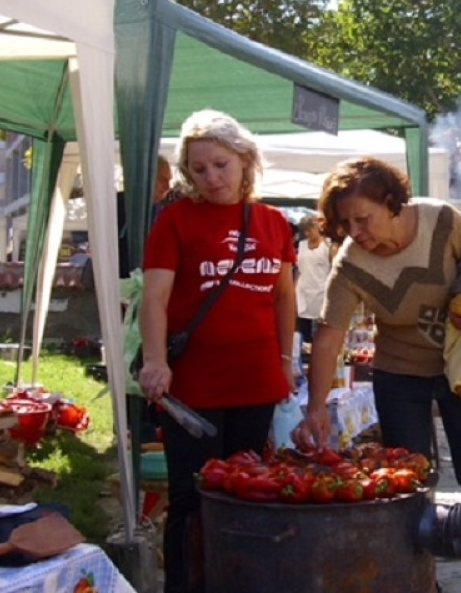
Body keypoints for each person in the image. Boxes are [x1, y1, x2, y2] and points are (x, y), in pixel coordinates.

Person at [293, 156, 461, 593]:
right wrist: (316, 407)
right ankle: (419, 583)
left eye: (364, 218)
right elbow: (328, 337)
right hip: (400, 374)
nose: (356, 232)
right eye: (346, 223)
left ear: (392, 201)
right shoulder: (351, 265)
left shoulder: (442, 221)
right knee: (406, 486)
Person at [137, 109, 297, 593]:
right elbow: (155, 297)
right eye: (199, 169)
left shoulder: (273, 222)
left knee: (248, 493)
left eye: (220, 164)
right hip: (194, 384)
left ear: (246, 160)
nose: (211, 177)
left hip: (256, 379)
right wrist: (155, 360)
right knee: (192, 496)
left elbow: (284, 297)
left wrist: (287, 360)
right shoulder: (176, 220)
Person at [294, 214, 333, 343]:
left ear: (317, 228)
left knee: (320, 332)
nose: (307, 233)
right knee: (303, 331)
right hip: (303, 293)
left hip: (321, 293)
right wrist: (293, 289)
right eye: (305, 231)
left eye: (309, 230)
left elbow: (334, 270)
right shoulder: (301, 245)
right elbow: (299, 269)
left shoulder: (328, 245)